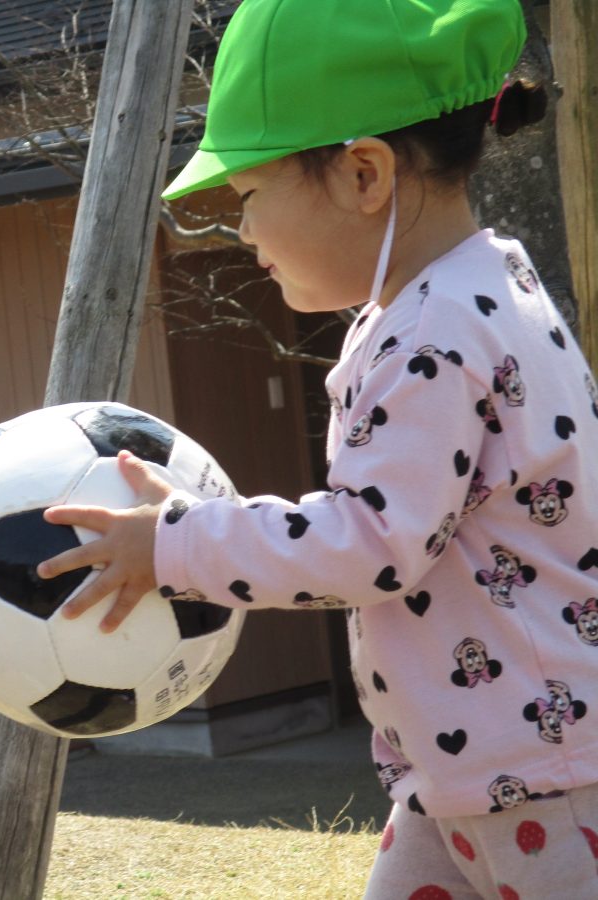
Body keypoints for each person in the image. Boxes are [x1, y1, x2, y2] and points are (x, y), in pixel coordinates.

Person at [37, 0, 598, 896]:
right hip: (469, 769)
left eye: (249, 196)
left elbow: (371, 543)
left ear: (364, 173)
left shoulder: (434, 334)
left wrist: (175, 544)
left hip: (542, 781)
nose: (242, 230)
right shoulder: (472, 291)